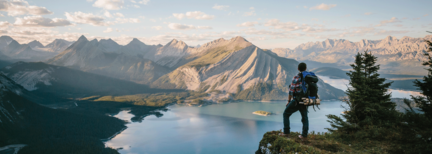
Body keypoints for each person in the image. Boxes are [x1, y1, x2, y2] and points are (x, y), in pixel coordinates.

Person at [281, 62, 309, 139]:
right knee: (305, 118)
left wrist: (289, 101)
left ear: (298, 69)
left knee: (286, 114)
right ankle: (304, 135)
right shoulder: (308, 78)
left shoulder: (296, 77)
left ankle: (286, 133)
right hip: (305, 101)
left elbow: (291, 91)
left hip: (297, 101)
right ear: (305, 68)